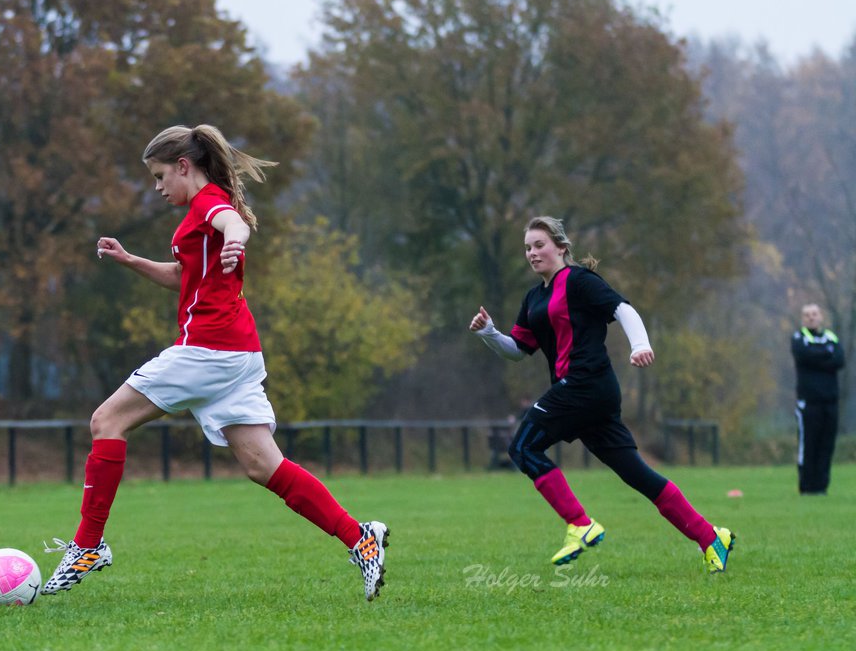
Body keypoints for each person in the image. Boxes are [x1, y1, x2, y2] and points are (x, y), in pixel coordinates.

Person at [40, 124, 389, 601]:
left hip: (208, 351)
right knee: (264, 465)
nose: (158, 187)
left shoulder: (209, 205)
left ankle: (87, 545)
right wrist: (130, 260)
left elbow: (233, 223)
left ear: (184, 166)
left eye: (161, 176)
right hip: (238, 354)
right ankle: (360, 538)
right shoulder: (197, 215)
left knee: (106, 421)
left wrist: (237, 238)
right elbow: (183, 278)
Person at [468, 216, 735, 574]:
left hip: (587, 385)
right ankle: (711, 536)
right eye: (528, 248)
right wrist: (489, 332)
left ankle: (579, 523)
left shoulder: (579, 281)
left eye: (539, 245)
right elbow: (518, 349)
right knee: (636, 474)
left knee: (522, 446)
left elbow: (623, 309)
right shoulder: (533, 298)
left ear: (561, 248)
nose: (532, 253)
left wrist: (640, 345)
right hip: (587, 393)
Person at [792, 302, 844, 495]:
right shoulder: (799, 338)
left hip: (830, 402)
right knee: (809, 445)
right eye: (807, 315)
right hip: (809, 403)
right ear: (803, 318)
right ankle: (806, 487)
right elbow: (804, 356)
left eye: (814, 314)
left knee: (826, 445)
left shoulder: (831, 337)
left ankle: (821, 487)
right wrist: (825, 355)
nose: (811, 317)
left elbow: (839, 359)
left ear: (821, 316)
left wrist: (818, 357)